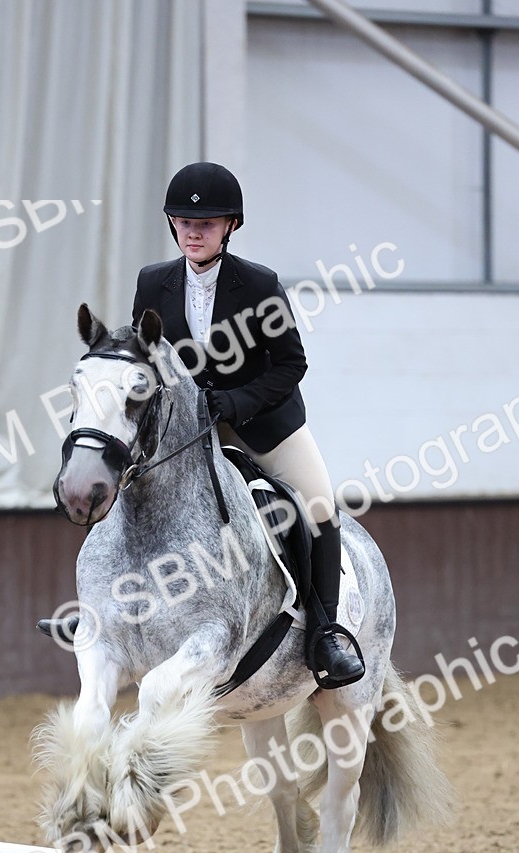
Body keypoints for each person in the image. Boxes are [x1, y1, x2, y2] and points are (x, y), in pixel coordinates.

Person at [42, 162, 364, 688]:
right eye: (185, 222)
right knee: (129, 487)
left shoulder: (259, 284)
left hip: (263, 425)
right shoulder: (154, 281)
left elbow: (290, 364)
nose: (194, 232)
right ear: (173, 225)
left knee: (317, 506)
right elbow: (144, 362)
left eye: (207, 223)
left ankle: (326, 631)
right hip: (190, 429)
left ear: (230, 226)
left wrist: (235, 403)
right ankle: (104, 614)